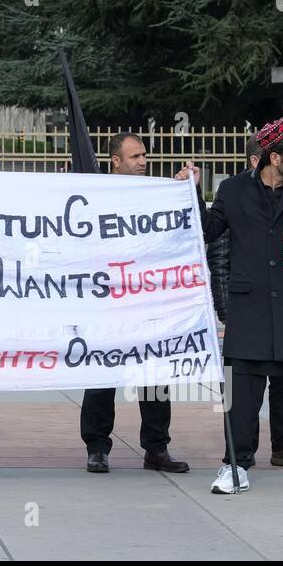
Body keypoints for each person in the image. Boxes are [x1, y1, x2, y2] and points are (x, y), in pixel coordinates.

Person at [202, 118, 283, 496]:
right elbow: (207, 232)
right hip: (250, 311)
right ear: (272, 157)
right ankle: (235, 465)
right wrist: (190, 193)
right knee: (242, 396)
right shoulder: (232, 190)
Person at [79, 133, 190, 475]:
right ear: (115, 161)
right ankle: (97, 447)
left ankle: (156, 447)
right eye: (135, 156)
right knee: (102, 374)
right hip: (107, 300)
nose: (143, 161)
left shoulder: (155, 193)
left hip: (146, 300)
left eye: (144, 155)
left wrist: (181, 190)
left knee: (154, 374)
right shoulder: (96, 195)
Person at [206, 135, 283, 468]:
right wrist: (226, 307)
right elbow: (218, 256)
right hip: (244, 307)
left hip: (282, 307)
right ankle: (237, 451)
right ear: (256, 160)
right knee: (241, 385)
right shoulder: (235, 196)